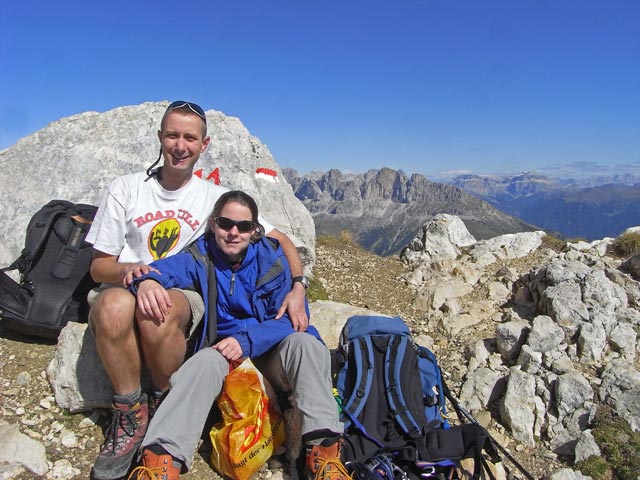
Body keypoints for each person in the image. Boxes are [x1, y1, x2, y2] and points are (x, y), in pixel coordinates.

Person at [87, 101, 310, 480]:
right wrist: (135, 270)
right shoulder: (125, 188)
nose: (180, 145)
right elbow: (98, 266)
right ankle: (129, 413)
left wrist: (299, 286)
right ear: (160, 138)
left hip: (181, 288)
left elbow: (280, 238)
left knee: (159, 309)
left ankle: (164, 399)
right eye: (172, 135)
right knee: (112, 307)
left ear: (203, 145)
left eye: (190, 137)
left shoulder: (213, 198)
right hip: (129, 281)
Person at [126, 190, 349, 480]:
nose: (233, 232)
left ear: (255, 230)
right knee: (203, 363)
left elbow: (294, 321)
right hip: (227, 357)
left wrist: (246, 341)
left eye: (243, 227)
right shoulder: (200, 256)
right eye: (225, 223)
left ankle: (324, 454)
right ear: (212, 225)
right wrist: (146, 282)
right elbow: (158, 270)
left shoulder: (272, 259)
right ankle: (161, 461)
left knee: (306, 344)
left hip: (272, 353)